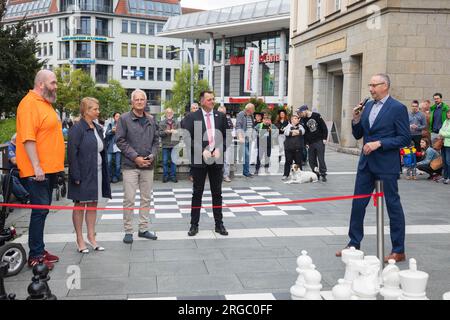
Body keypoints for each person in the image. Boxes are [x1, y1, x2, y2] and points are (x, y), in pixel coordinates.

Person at [336, 73, 410, 263]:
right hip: (366, 164)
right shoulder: (368, 105)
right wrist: (355, 119)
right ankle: (353, 243)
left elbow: (404, 138)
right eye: (369, 85)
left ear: (385, 86)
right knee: (358, 204)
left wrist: (380, 143)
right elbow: (359, 133)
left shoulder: (398, 108)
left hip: (386, 165)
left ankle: (398, 250)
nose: (370, 89)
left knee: (393, 206)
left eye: (374, 85)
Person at [16, 70, 65, 270]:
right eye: (53, 83)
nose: (56, 86)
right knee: (39, 212)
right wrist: (36, 166)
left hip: (49, 169)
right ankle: (35, 256)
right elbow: (28, 138)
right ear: (41, 84)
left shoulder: (45, 104)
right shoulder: (29, 104)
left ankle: (39, 249)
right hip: (37, 171)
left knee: (43, 212)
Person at [67, 97, 111, 253]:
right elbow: (72, 154)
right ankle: (80, 239)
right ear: (86, 111)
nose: (98, 112)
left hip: (97, 172)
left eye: (98, 109)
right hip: (82, 173)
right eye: (95, 109)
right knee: (80, 206)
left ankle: (92, 237)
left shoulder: (98, 128)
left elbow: (101, 149)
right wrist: (76, 176)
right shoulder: (77, 129)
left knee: (93, 205)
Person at [116, 89, 159, 244]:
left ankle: (143, 228)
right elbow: (120, 141)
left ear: (146, 102)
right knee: (129, 199)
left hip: (148, 165)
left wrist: (152, 155)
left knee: (146, 198)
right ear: (132, 102)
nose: (140, 102)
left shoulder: (151, 119)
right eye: (137, 99)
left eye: (142, 99)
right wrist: (136, 157)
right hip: (130, 166)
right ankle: (128, 230)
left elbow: (156, 140)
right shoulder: (124, 119)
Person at [182, 91, 228, 237]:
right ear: (202, 101)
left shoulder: (220, 116)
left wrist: (220, 149)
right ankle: (194, 225)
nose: (212, 101)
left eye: (213, 99)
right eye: (209, 99)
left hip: (217, 159)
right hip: (199, 160)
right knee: (197, 193)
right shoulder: (192, 117)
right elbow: (187, 138)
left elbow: (226, 136)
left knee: (217, 193)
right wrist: (201, 150)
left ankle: (219, 224)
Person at [298, 105, 329, 182]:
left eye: (301, 112)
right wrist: (306, 143)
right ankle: (316, 173)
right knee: (312, 159)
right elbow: (305, 132)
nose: (300, 114)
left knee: (321, 158)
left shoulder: (317, 116)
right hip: (310, 142)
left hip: (319, 140)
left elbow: (324, 127)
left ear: (305, 110)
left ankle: (323, 173)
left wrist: (324, 138)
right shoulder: (303, 119)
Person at [7, 133, 30, 203]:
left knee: (28, 173)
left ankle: (28, 195)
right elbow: (14, 161)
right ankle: (25, 196)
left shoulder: (18, 146)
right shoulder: (9, 146)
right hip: (11, 169)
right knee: (18, 176)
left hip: (18, 168)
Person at [159, 108, 180, 183]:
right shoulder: (162, 123)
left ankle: (173, 176)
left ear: (173, 114)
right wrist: (166, 132)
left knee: (173, 162)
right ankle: (165, 176)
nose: (169, 114)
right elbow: (159, 133)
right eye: (167, 112)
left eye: (170, 112)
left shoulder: (177, 123)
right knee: (164, 162)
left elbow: (181, 134)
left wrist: (176, 132)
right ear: (165, 114)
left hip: (174, 145)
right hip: (165, 145)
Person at [282, 114, 305, 180]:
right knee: (288, 162)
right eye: (295, 118)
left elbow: (302, 132)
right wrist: (295, 132)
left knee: (298, 162)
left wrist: (293, 132)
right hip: (289, 148)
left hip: (298, 147)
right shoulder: (287, 126)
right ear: (291, 120)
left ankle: (300, 175)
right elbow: (287, 133)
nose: (297, 119)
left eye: (297, 118)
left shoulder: (301, 126)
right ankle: (286, 174)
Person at [235, 103, 255, 177]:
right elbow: (238, 126)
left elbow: (252, 125)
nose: (254, 111)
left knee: (247, 155)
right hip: (242, 138)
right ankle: (246, 172)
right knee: (246, 155)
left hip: (249, 138)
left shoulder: (251, 116)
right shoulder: (241, 114)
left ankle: (246, 171)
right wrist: (240, 136)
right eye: (253, 109)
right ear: (249, 109)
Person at [218, 106, 233, 182]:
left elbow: (230, 129)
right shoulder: (215, 119)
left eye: (223, 112)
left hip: (227, 141)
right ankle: (218, 175)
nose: (222, 114)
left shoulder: (228, 119)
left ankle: (226, 175)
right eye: (220, 112)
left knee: (227, 159)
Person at [105, 112, 122, 183]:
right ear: (114, 117)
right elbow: (106, 134)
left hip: (119, 147)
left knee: (118, 164)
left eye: (119, 116)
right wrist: (112, 131)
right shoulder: (110, 124)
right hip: (111, 146)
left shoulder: (123, 125)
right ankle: (109, 176)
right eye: (117, 116)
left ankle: (116, 176)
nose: (118, 117)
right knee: (108, 162)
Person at [438, 109, 450, 184]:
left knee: (449, 161)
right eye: (448, 113)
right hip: (443, 143)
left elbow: (449, 134)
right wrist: (443, 133)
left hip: (449, 145)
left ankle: (449, 177)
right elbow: (440, 130)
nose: (449, 114)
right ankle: (445, 176)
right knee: (444, 161)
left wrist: (443, 133)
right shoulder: (445, 121)